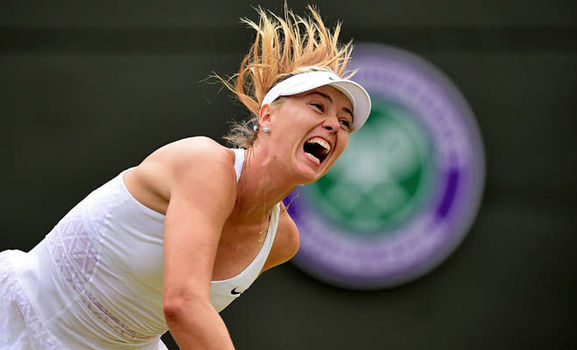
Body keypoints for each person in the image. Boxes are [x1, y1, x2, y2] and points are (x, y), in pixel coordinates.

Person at [0, 5, 371, 350]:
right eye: (317, 106)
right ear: (268, 116)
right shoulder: (204, 164)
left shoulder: (282, 241)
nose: (332, 125)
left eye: (343, 122)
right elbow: (182, 304)